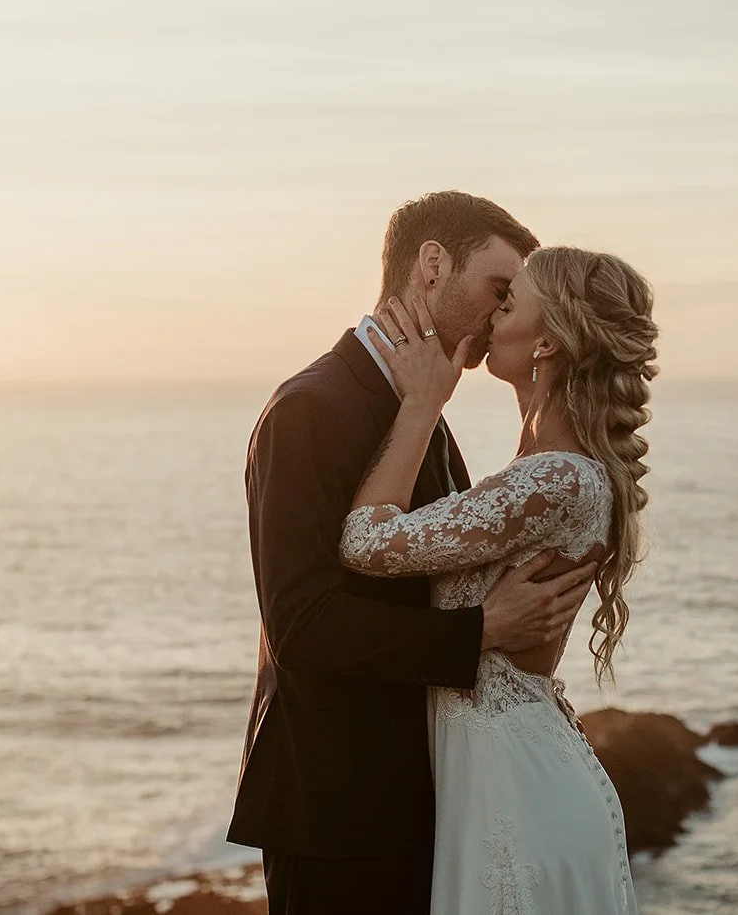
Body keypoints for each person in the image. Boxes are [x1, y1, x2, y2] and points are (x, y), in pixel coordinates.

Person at [226, 192, 598, 914]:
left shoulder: (425, 405)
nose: (500, 317)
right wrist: (480, 632)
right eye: (498, 289)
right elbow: (302, 626)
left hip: (426, 797)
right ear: (432, 264)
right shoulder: (312, 407)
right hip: (340, 815)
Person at [340, 244, 658, 913]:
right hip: (501, 776)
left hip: (515, 793)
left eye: (509, 304)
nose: (491, 318)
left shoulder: (555, 480)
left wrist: (422, 404)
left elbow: (363, 541)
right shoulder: (542, 471)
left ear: (548, 341)